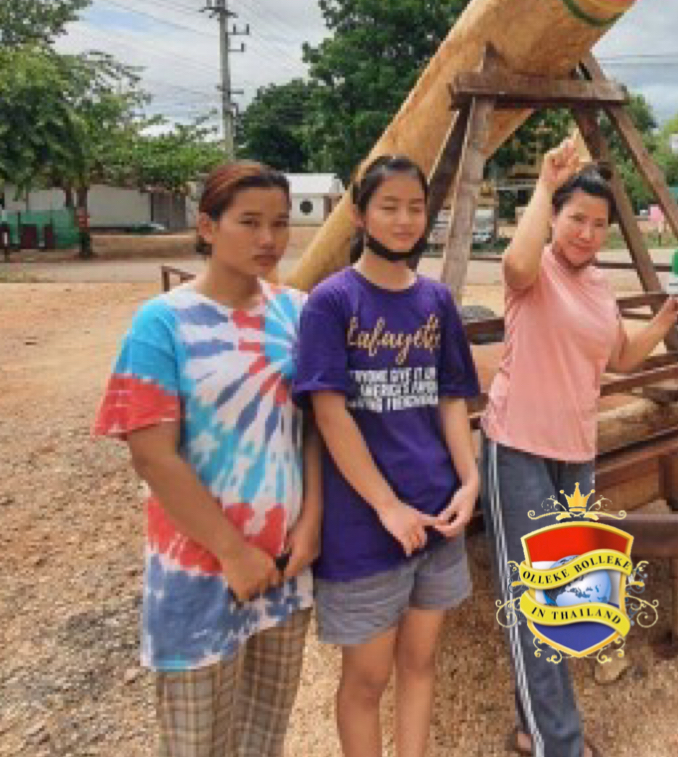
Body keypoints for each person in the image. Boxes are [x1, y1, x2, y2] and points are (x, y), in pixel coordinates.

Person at [93, 161, 320, 757]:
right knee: (198, 743)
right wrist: (233, 552)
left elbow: (314, 429)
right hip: (200, 571)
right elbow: (154, 457)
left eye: (278, 222)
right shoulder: (162, 323)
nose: (268, 239)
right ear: (207, 226)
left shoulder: (297, 313)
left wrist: (312, 524)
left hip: (285, 566)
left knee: (263, 736)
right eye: (248, 222)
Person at [482, 136, 678, 757]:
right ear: (554, 217)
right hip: (518, 447)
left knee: (562, 597)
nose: (586, 232)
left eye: (598, 224)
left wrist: (666, 316)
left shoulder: (599, 283)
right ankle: (559, 743)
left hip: (575, 452)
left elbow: (621, 355)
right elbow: (515, 268)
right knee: (530, 600)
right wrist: (548, 182)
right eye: (576, 218)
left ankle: (535, 728)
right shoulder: (535, 269)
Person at [292, 155, 482, 757]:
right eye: (389, 206)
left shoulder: (435, 300)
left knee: (421, 664)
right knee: (367, 680)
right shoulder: (332, 301)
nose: (404, 220)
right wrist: (387, 506)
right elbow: (329, 412)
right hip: (366, 528)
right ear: (359, 212)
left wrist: (470, 479)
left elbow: (452, 397)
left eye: (416, 207)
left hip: (438, 514)